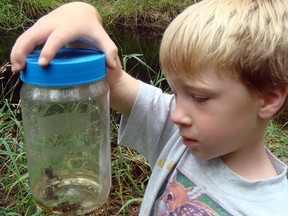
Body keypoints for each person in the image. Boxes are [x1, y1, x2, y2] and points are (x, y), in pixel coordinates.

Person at [11, 0, 288, 215]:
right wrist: (81, 13)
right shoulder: (177, 137)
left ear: (268, 98)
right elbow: (114, 80)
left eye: (200, 97)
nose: (178, 114)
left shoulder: (274, 208)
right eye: (176, 93)